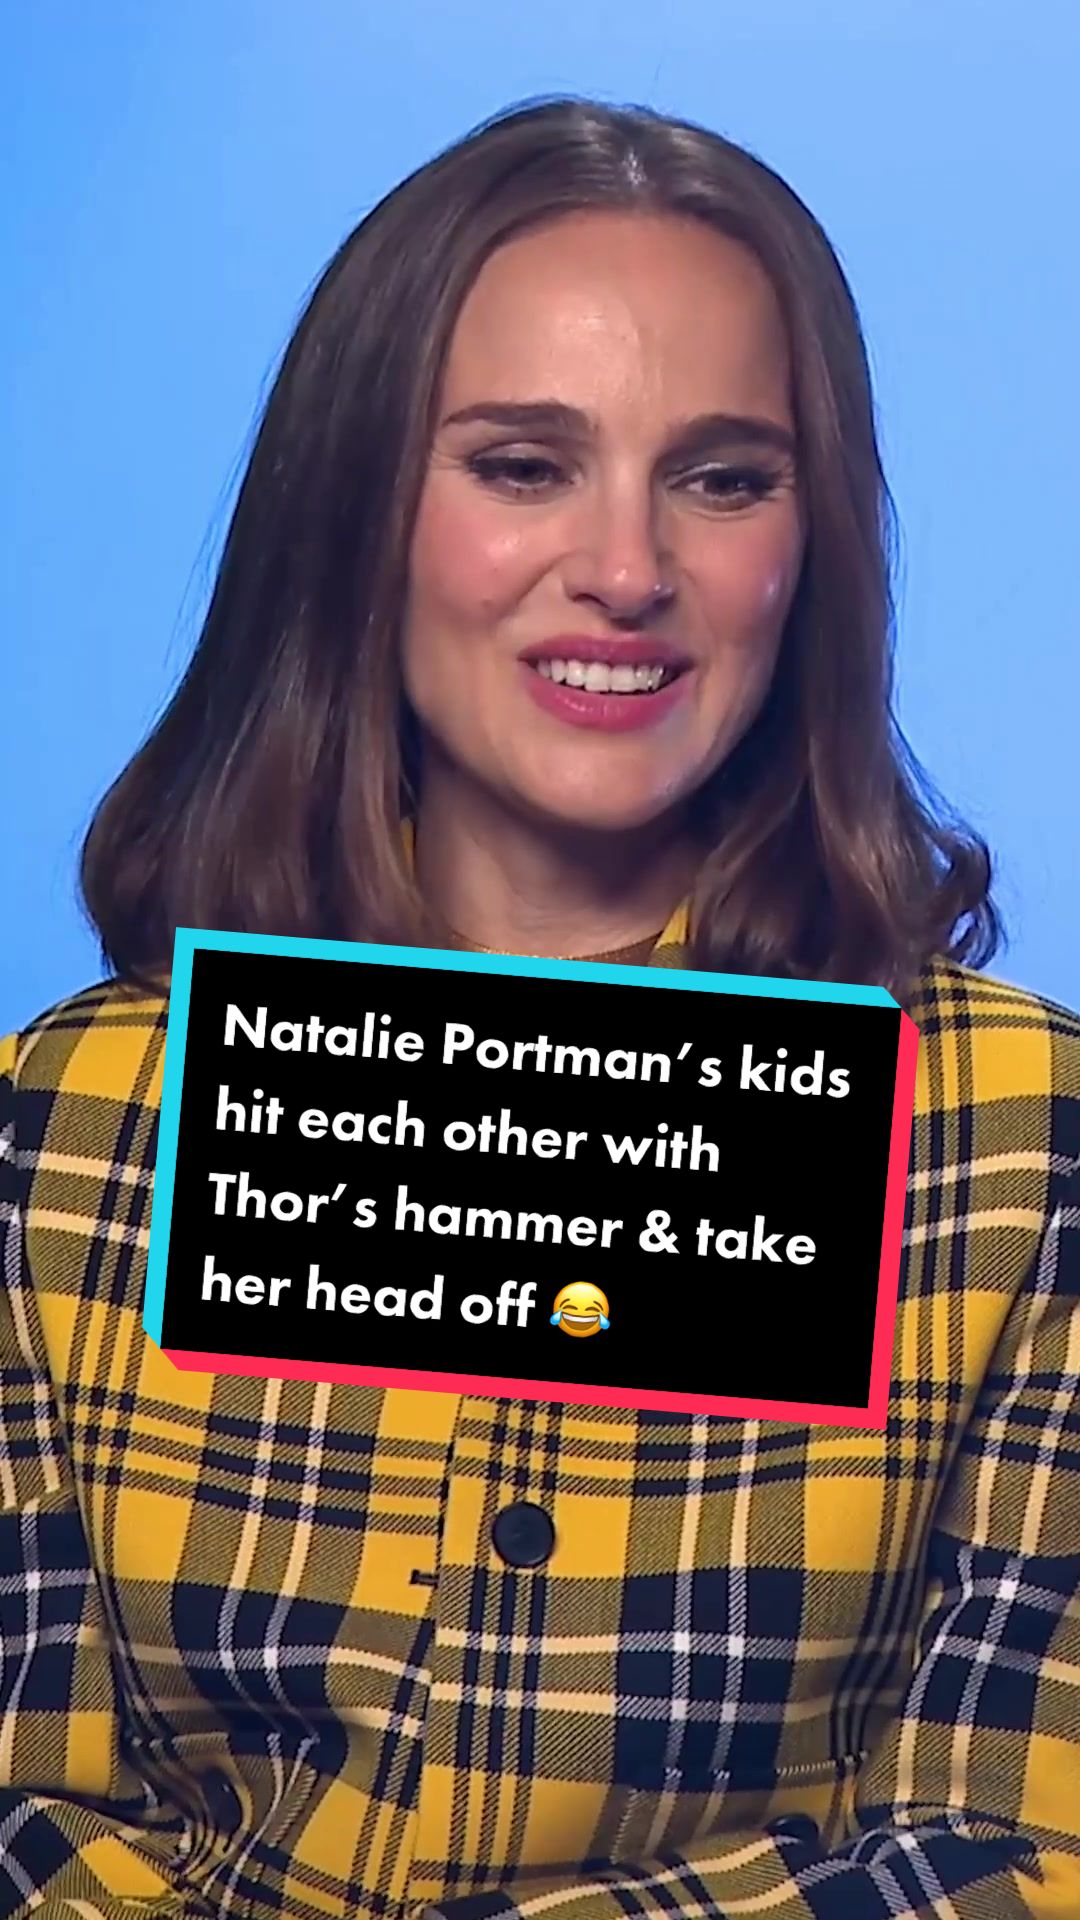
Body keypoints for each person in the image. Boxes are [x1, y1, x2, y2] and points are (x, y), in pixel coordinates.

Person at [1, 94, 1077, 1920]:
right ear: (357, 515)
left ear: (809, 548)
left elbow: (1014, 1852)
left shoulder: (1021, 1144)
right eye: (521, 466)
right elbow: (25, 1812)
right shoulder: (61, 1127)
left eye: (723, 479)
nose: (629, 571)